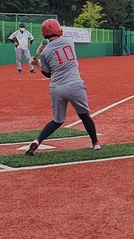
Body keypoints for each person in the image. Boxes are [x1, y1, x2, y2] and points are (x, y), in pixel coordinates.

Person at [26, 19, 100, 154]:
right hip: (75, 85)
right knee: (84, 116)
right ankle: (95, 143)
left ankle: (37, 140)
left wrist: (36, 63)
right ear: (57, 30)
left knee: (57, 121)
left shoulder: (45, 52)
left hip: (57, 88)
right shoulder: (69, 41)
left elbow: (48, 74)